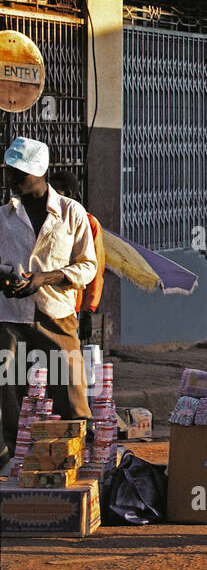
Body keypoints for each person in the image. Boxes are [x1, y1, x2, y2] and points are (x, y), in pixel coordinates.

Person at [1, 138, 97, 466]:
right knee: (11, 395)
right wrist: (8, 278)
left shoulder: (71, 213)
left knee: (70, 390)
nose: (11, 178)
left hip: (57, 314)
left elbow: (87, 266)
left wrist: (45, 277)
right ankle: (19, 465)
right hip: (11, 317)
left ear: (40, 173)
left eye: (20, 172)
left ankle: (78, 461)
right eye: (9, 171)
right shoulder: (3, 217)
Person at [47, 171, 105, 343]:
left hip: (73, 305)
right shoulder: (45, 219)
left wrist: (89, 310)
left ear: (69, 194)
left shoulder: (88, 222)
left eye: (56, 192)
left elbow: (95, 268)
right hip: (46, 300)